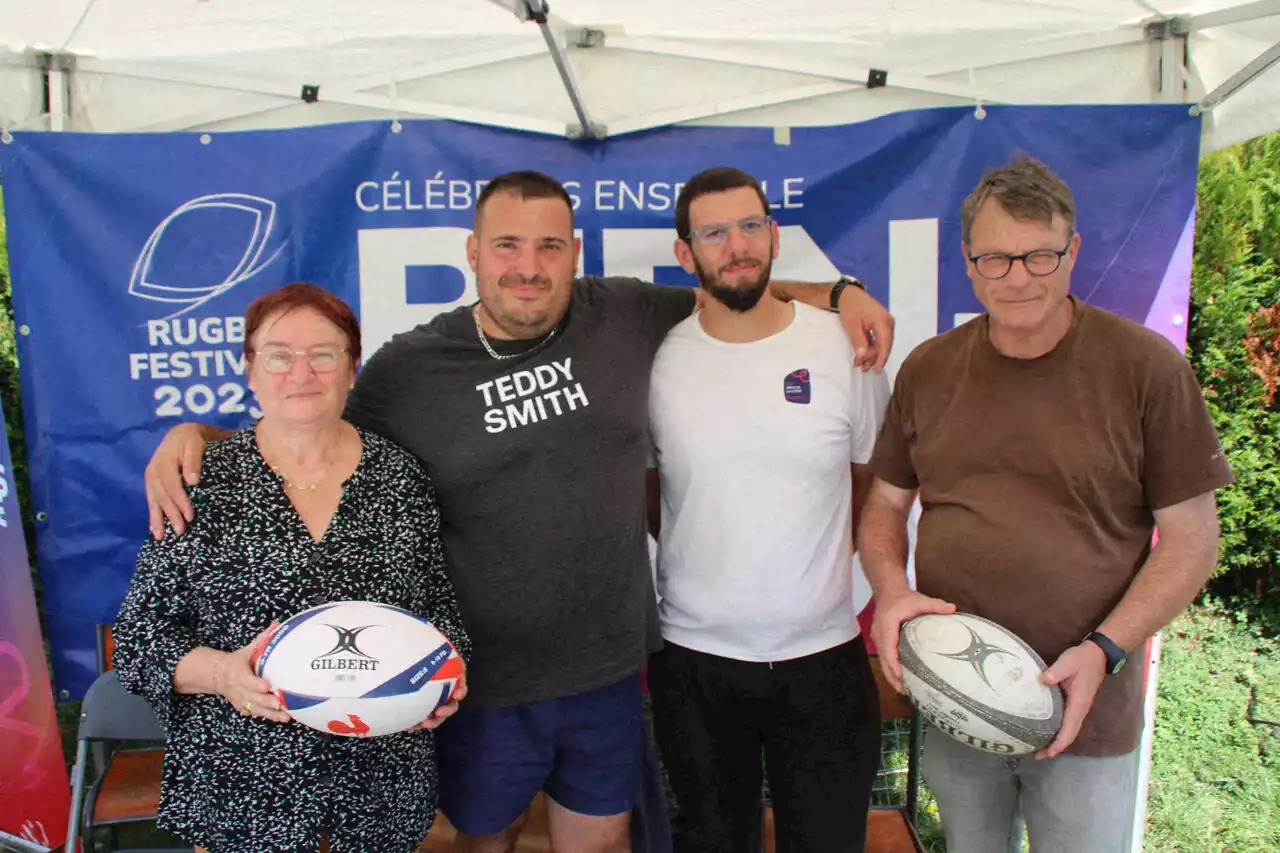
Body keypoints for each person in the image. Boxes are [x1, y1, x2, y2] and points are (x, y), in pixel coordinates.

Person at [143, 171, 896, 853]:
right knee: (486, 840)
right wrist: (201, 438)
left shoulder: (625, 312)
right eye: (507, 245)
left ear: (574, 252)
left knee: (599, 842)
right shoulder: (412, 367)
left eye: (547, 246)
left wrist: (840, 293)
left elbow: (738, 286)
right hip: (480, 679)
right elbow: (310, 420)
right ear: (473, 252)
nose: (527, 266)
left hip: (605, 668)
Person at [857, 156, 1233, 853]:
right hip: (958, 702)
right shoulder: (930, 368)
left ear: (1074, 251)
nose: (1019, 276)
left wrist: (1104, 650)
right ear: (969, 263)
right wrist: (890, 589)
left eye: (1039, 254)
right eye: (996, 257)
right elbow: (883, 504)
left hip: (1088, 715)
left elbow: (1192, 541)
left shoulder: (1146, 369)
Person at [111, 283, 471, 853]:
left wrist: (447, 678)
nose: (300, 372)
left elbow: (438, 609)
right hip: (241, 785)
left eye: (323, 354)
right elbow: (138, 641)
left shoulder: (400, 479)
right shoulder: (200, 483)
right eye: (278, 354)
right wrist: (225, 674)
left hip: (379, 782)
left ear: (352, 366)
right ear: (249, 369)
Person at [645, 167, 890, 853]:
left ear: (775, 235)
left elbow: (874, 480)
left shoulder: (845, 346)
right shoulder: (659, 357)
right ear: (685, 254)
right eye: (715, 233)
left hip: (824, 661)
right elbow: (650, 490)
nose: (738, 246)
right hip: (695, 661)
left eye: (752, 225)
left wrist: (815, 568)